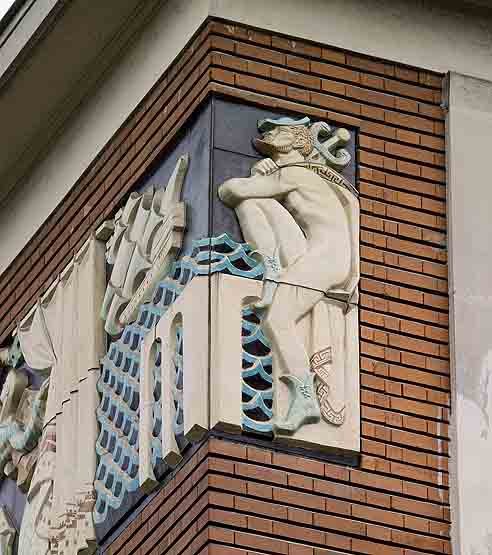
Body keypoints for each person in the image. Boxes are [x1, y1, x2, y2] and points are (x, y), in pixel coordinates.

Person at [219, 117, 355, 433]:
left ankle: (305, 399)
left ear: (293, 142)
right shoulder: (298, 174)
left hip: (326, 258)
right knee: (253, 201)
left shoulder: (293, 174)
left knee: (277, 319)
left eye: (276, 132)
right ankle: (273, 270)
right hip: (316, 253)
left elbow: (228, 190)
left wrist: (256, 174)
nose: (268, 135)